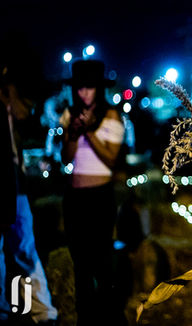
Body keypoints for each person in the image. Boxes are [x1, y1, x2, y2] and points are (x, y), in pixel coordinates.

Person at [60, 59, 126, 326]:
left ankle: (110, 316)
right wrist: (73, 133)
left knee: (101, 261)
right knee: (80, 264)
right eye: (79, 87)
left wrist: (90, 132)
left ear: (99, 88)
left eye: (89, 87)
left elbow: (111, 159)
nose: (83, 93)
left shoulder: (111, 116)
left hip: (100, 197)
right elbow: (66, 157)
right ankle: (84, 317)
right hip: (75, 197)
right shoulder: (70, 114)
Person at [1, 60, 58, 325]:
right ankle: (12, 310)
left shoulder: (13, 116)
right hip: (9, 186)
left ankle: (40, 311)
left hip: (16, 187)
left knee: (24, 250)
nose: (30, 110)